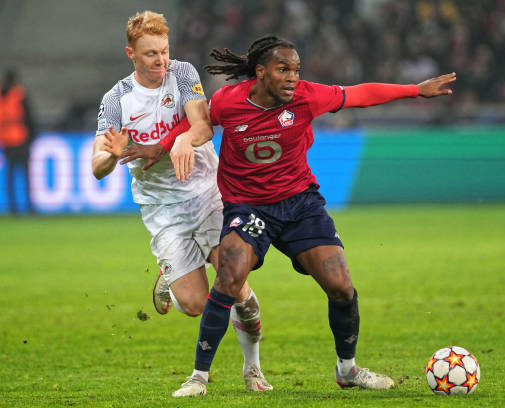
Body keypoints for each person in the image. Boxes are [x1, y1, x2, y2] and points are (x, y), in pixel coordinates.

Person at [122, 34, 456, 397]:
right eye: (284, 69)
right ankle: (198, 378)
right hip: (248, 207)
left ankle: (347, 369)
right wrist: (162, 146)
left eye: (296, 70)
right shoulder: (229, 101)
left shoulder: (307, 96)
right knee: (229, 280)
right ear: (261, 73)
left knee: (341, 286)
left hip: (300, 205)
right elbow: (195, 125)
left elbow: (359, 94)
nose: (293, 77)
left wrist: (414, 90)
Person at [91, 11, 272, 394]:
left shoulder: (184, 74)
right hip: (164, 211)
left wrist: (183, 140)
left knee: (234, 283)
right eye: (151, 54)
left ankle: (253, 369)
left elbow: (203, 125)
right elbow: (98, 167)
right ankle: (173, 281)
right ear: (131, 54)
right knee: (193, 305)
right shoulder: (116, 101)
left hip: (208, 194)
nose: (161, 60)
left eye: (164, 51)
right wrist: (113, 153)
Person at [0, 68, 36, 214]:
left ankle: (13, 207)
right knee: (25, 175)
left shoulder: (4, 96)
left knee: (11, 175)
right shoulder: (19, 96)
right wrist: (32, 137)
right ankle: (28, 207)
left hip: (7, 141)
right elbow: (30, 118)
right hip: (21, 140)